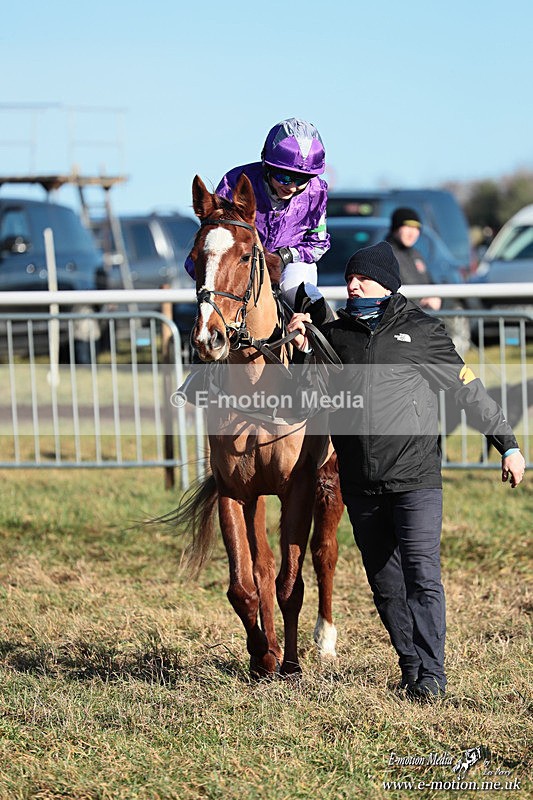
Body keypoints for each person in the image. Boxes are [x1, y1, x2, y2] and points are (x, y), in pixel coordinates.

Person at [287, 241, 526, 701]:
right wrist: (301, 350)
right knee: (385, 584)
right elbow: (303, 401)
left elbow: (467, 392)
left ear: (388, 282)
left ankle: (433, 677)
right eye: (349, 278)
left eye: (363, 278)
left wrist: (507, 445)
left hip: (415, 478)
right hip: (360, 482)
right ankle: (411, 666)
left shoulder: (422, 331)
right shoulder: (336, 336)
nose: (352, 284)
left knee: (421, 576)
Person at [185, 117, 330, 312]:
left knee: (297, 292)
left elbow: (318, 244)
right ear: (267, 166)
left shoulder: (317, 191)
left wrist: (285, 255)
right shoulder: (235, 181)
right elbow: (218, 230)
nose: (292, 187)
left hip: (291, 265)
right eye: (284, 177)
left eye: (302, 179)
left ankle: (328, 337)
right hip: (241, 262)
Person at [386, 207, 442, 312]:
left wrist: (436, 298)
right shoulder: (385, 254)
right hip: (403, 320)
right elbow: (390, 295)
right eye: (407, 226)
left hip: (421, 316)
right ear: (395, 228)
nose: (412, 233)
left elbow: (429, 282)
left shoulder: (416, 255)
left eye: (416, 228)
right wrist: (420, 303)